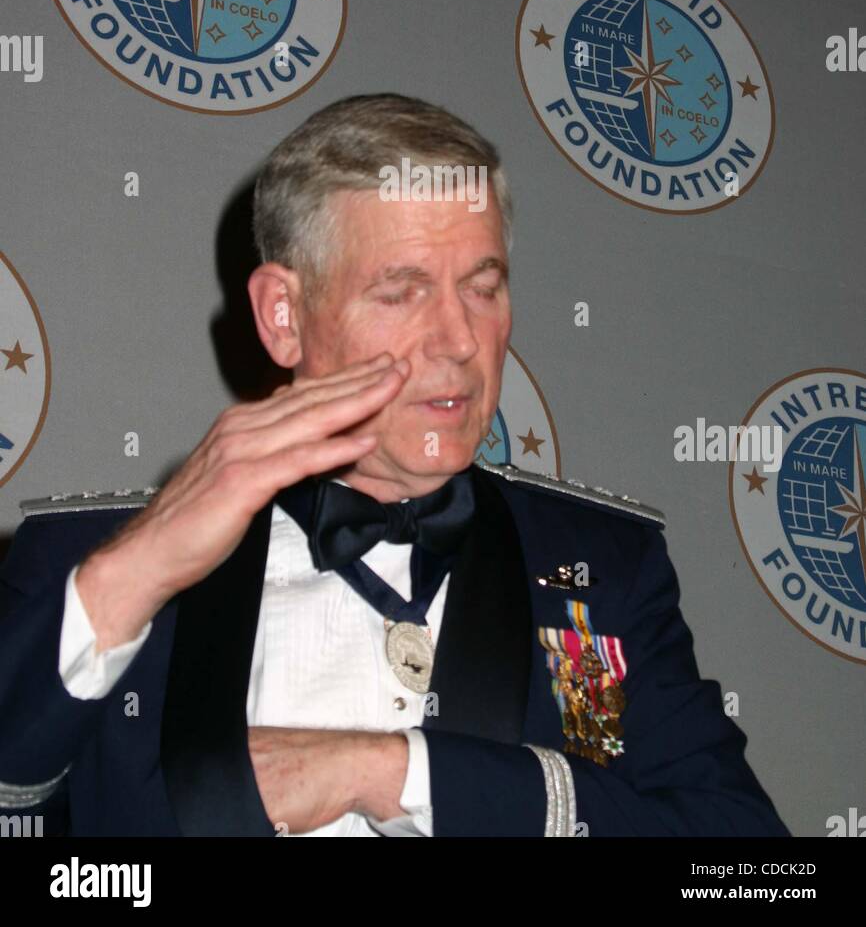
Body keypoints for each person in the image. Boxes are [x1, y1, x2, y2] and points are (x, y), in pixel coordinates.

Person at [0, 92, 789, 837]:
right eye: (402, 292)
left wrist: (395, 773)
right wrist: (136, 568)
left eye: (483, 290)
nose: (456, 340)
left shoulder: (599, 564)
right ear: (284, 315)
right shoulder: (92, 564)